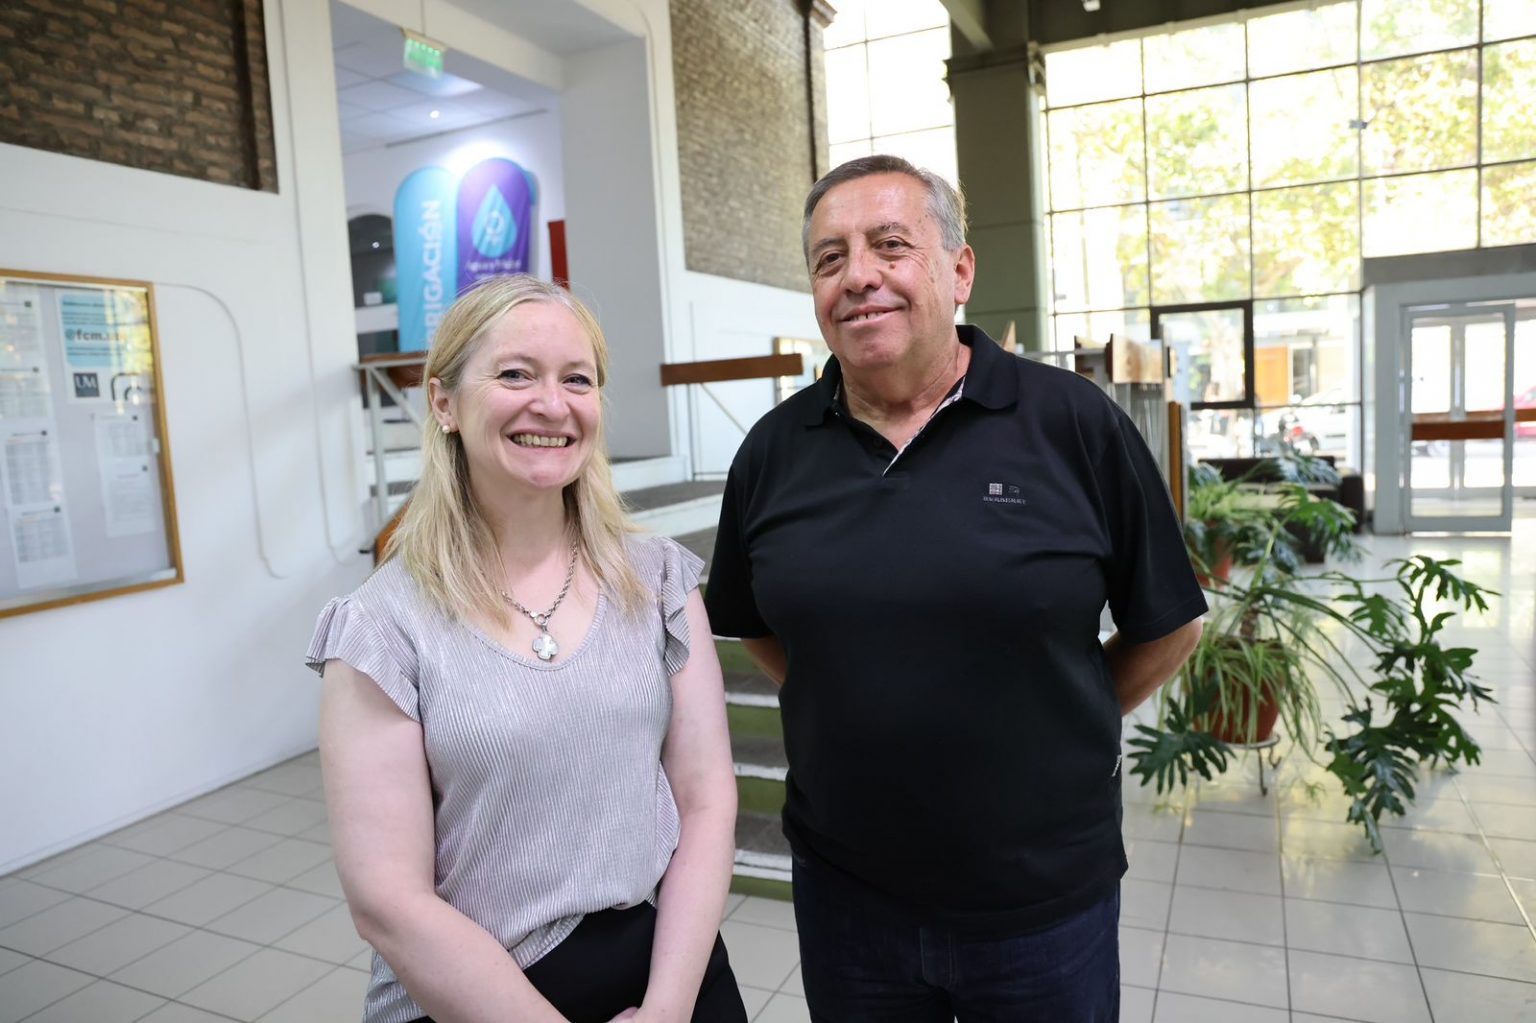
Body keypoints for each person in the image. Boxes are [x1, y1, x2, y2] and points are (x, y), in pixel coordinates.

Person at [705, 155, 1207, 1022]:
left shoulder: (1073, 423)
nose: (858, 275)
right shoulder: (773, 451)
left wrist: (1063, 708)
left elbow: (1169, 622)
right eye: (830, 258)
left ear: (960, 269)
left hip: (1042, 905)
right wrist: (847, 691)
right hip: (848, 898)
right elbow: (752, 620)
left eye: (890, 245)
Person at [307, 274, 748, 1023]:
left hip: (669, 966)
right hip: (478, 989)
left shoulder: (658, 581)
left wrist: (669, 1007)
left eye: (577, 379)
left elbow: (706, 798)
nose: (552, 403)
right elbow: (387, 901)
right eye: (515, 374)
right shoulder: (382, 625)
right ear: (444, 403)